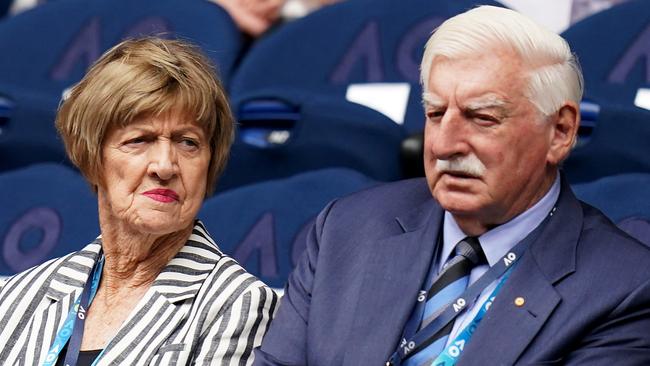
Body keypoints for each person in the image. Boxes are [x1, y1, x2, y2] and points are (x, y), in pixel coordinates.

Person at [253, 5, 650, 366]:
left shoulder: (624, 288)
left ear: (560, 131)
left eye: (482, 117)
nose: (444, 145)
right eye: (436, 113)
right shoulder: (345, 230)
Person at [0, 37, 278, 365]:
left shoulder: (235, 303)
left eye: (188, 143)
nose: (164, 165)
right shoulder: (20, 295)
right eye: (139, 140)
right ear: (93, 158)